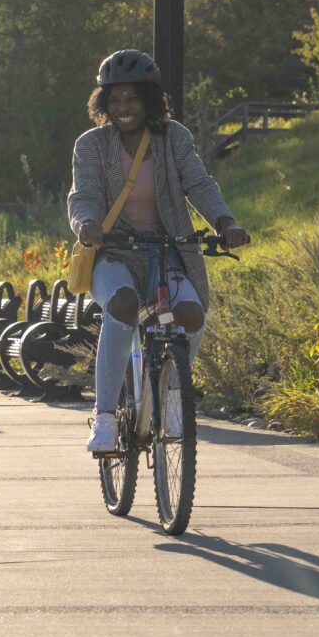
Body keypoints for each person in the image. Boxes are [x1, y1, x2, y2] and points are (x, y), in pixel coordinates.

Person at [68, 50, 249, 455]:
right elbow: (84, 195)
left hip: (167, 250)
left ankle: (170, 395)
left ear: (150, 99)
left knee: (191, 315)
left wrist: (226, 223)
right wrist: (87, 226)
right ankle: (105, 417)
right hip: (114, 252)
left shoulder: (174, 138)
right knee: (124, 306)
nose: (123, 108)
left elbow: (199, 184)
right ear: (103, 104)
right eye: (114, 100)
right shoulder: (92, 145)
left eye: (132, 99)